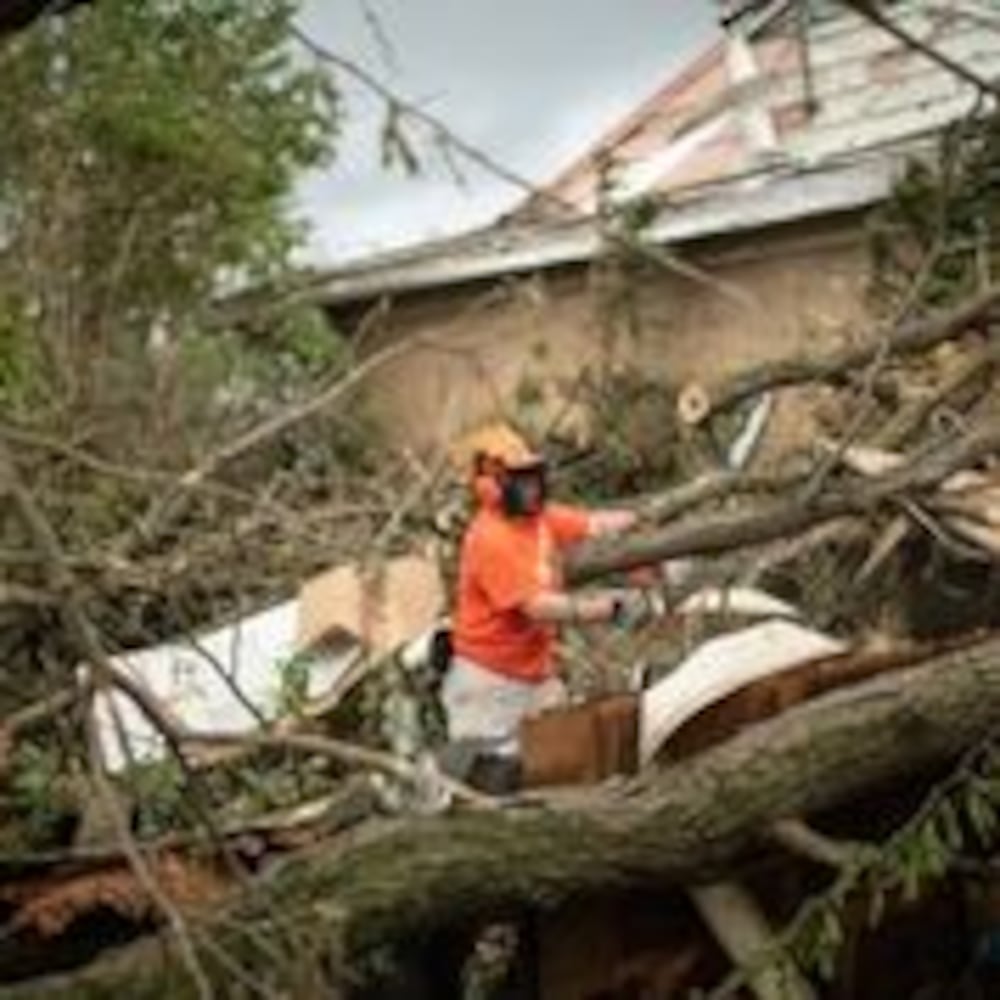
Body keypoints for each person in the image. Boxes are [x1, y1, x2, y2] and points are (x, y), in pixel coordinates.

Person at [441, 423, 662, 766]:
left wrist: (648, 521)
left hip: (535, 675)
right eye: (519, 478)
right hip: (490, 687)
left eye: (533, 476)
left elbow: (593, 524)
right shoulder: (490, 539)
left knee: (566, 768)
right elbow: (537, 607)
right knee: (495, 786)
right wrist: (610, 607)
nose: (531, 487)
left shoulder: (540, 520)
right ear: (490, 484)